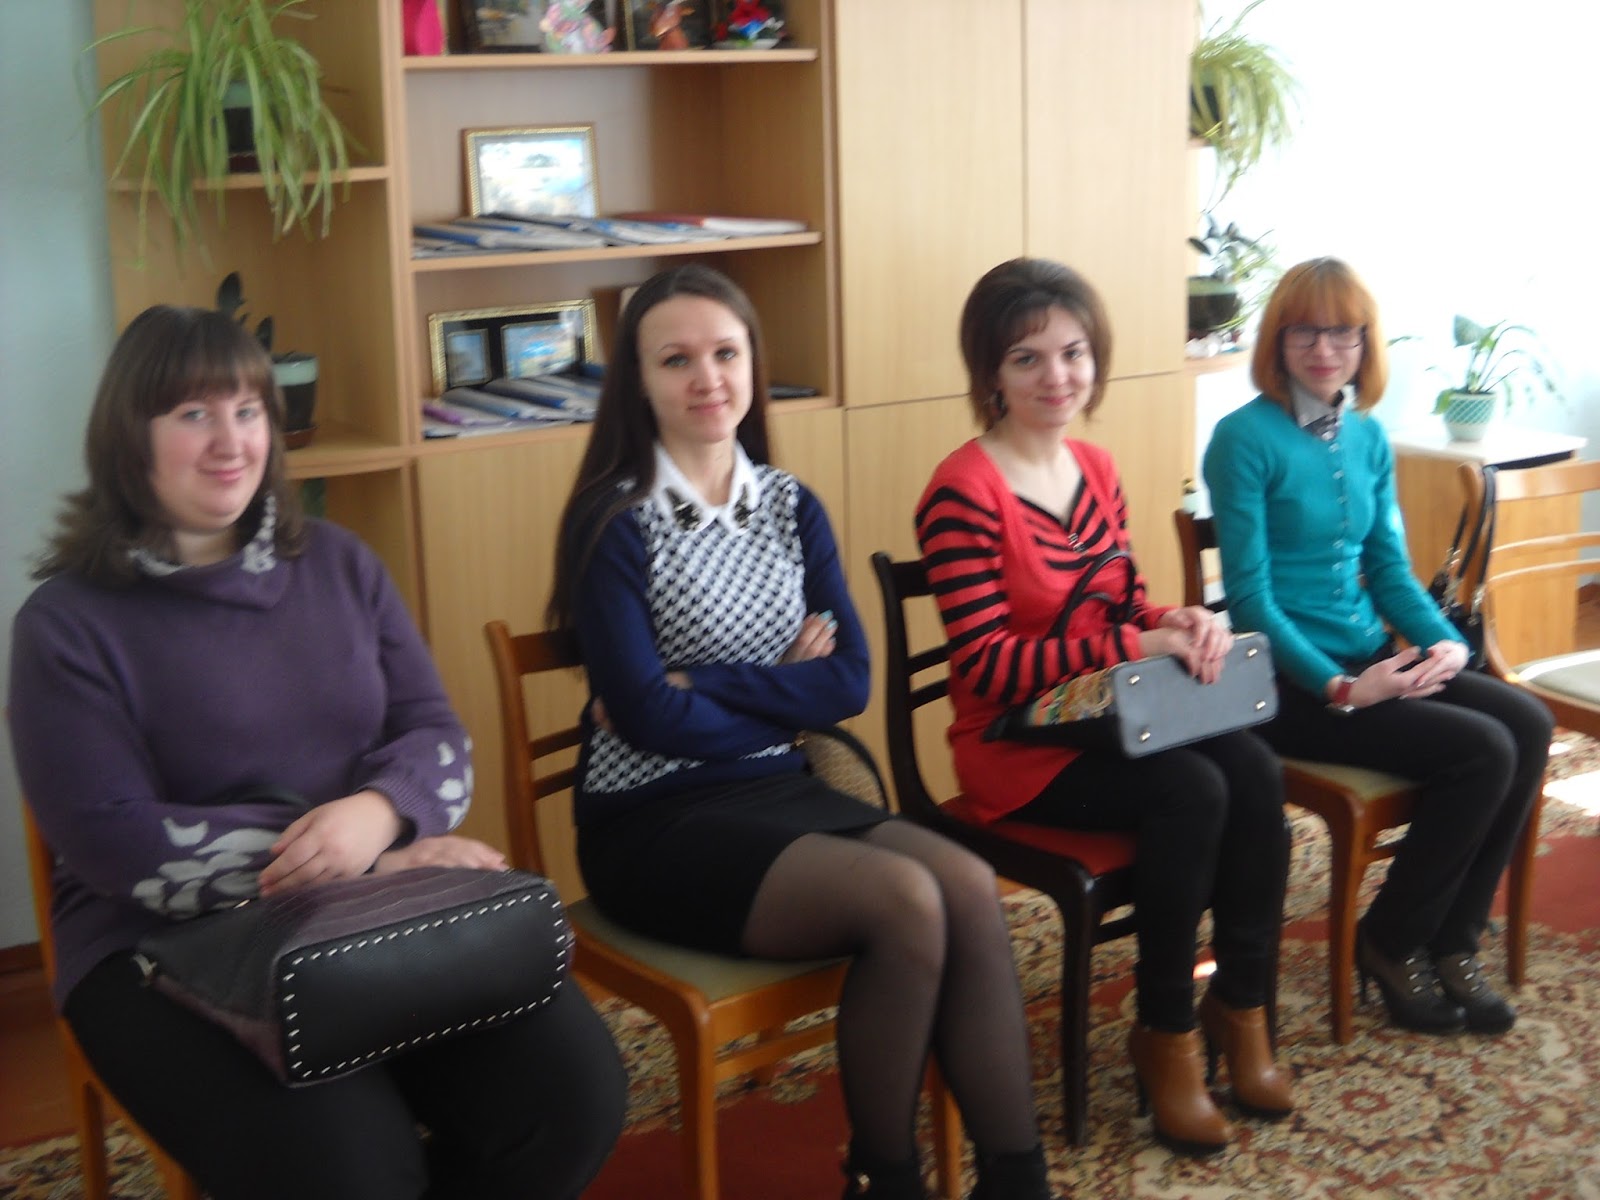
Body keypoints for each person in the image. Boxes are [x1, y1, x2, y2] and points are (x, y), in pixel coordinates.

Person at [7, 305, 627, 1200]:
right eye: (193, 414)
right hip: (158, 951)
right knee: (351, 1172)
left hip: (367, 908)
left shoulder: (340, 562)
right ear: (126, 437)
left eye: (247, 410)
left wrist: (377, 816)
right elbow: (118, 846)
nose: (230, 441)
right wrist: (371, 858)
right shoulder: (65, 624)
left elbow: (440, 740)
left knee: (571, 1100)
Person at [548, 264, 1056, 1200]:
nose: (708, 378)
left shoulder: (788, 504)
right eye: (676, 359)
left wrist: (704, 683)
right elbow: (646, 720)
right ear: (639, 381)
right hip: (649, 818)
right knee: (906, 901)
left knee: (967, 885)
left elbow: (849, 683)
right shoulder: (615, 519)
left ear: (752, 364)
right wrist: (784, 686)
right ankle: (885, 1177)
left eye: (726, 353)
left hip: (777, 789)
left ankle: (1017, 1181)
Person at [916, 257, 1293, 1158]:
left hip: (1111, 714)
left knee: (1253, 769)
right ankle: (1165, 1035)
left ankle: (1241, 1006)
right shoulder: (961, 492)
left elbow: (1121, 605)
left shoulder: (1096, 466)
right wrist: (1134, 645)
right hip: (1017, 747)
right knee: (1193, 790)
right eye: (1027, 358)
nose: (1057, 377)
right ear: (990, 373)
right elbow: (989, 667)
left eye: (1074, 353)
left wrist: (1175, 620)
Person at [1202, 257, 1553, 1038]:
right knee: (1483, 751)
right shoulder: (1241, 439)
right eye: (1305, 331)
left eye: (1343, 332)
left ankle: (1452, 940)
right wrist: (1341, 688)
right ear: (1277, 340)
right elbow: (1251, 600)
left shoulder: (1366, 438)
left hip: (1370, 658)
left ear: (1365, 343)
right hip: (1289, 686)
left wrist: (1443, 643)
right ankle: (1389, 943)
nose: (1325, 349)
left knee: (1528, 724)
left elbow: (1389, 569)